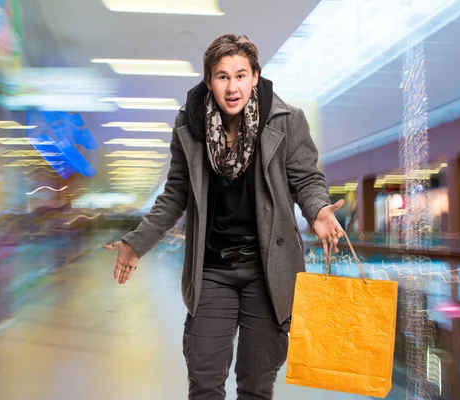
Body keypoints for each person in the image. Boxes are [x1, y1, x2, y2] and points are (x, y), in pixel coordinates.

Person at [105, 33, 345, 400]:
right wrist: (137, 243)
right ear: (208, 82)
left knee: (255, 385)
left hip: (268, 273)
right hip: (211, 270)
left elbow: (306, 178)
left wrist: (317, 210)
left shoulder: (286, 120)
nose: (232, 87)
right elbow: (175, 194)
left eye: (240, 75)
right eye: (222, 76)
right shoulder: (189, 127)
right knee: (203, 383)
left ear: (255, 76)